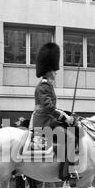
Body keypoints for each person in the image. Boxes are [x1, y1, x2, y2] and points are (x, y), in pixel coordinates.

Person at [30, 42, 77, 180]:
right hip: (44, 122)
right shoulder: (44, 86)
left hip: (47, 120)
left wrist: (67, 114)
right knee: (70, 137)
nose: (56, 72)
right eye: (55, 71)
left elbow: (52, 107)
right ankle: (64, 172)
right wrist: (64, 118)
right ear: (50, 71)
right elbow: (49, 107)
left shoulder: (47, 86)